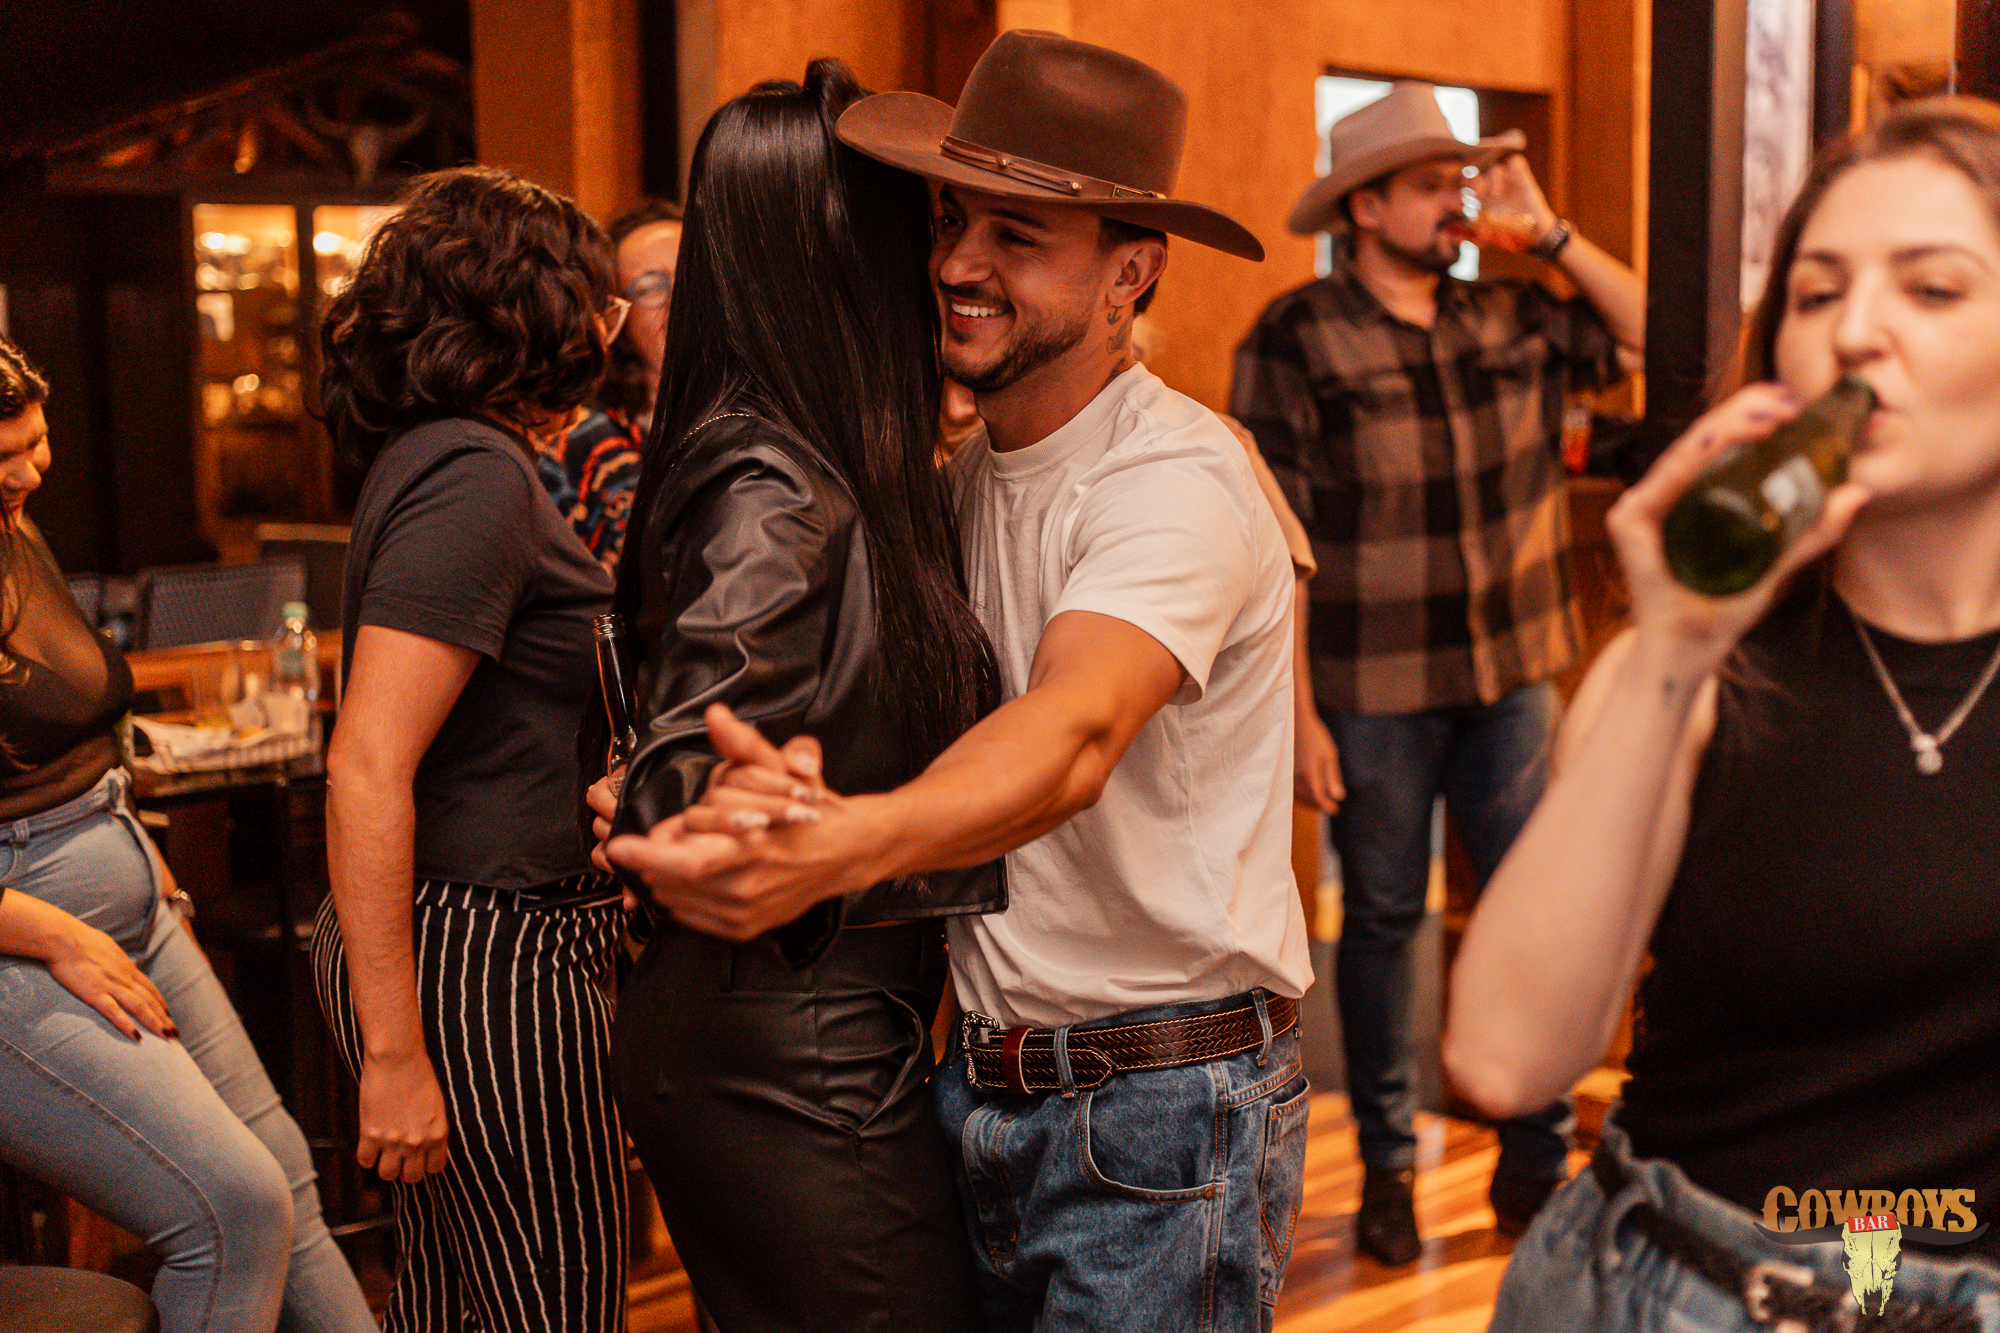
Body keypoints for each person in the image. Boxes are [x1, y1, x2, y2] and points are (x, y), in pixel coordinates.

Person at [600, 31, 1314, 1330]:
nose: (956, 264)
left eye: (1017, 236)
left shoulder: (1171, 479)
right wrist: (688, 798)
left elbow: (1071, 729)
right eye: (949, 221)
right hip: (978, 1091)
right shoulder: (960, 485)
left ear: (1131, 272)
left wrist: (844, 843)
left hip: (1157, 1119)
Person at [1446, 96, 2000, 1330]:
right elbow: (1502, 1058)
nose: (1852, 332)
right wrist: (1674, 648)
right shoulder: (1695, 677)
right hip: (1681, 1290)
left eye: (1930, 289)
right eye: (1814, 294)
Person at [592, 59, 1005, 1333]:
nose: (944, 263)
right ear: (843, 248)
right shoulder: (775, 483)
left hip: (804, 1025)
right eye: (924, 227)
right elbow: (686, 758)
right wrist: (704, 797)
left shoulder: (813, 456)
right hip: (784, 1043)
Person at [1228, 80, 1646, 1264]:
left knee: (1532, 909)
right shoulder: (1293, 336)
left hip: (1513, 672)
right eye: (1430, 186)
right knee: (1379, 920)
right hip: (1371, 688)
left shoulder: (1514, 313)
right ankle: (1389, 1168)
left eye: (1460, 182)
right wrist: (1296, 713)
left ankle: (1533, 1157)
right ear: (1362, 208)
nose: (1456, 204)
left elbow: (1659, 341)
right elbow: (1272, 542)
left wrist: (1548, 234)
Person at [0, 333, 375, 1333]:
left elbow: (73, 731)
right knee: (232, 1209)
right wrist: (56, 933)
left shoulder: (15, 532)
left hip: (125, 900)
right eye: (3, 456)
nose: (30, 471)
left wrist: (134, 843)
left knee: (283, 1175)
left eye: (37, 443)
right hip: (26, 937)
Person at [310, 166, 627, 1333]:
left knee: (456, 1307)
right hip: (484, 951)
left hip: (464, 937)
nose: (611, 321)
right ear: (533, 308)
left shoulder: (452, 452)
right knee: (551, 1304)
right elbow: (366, 762)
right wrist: (394, 1055)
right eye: (594, 295)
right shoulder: (474, 473)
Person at [534, 199, 683, 572]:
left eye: (694, 274)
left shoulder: (763, 419)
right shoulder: (580, 445)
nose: (681, 298)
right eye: (651, 286)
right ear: (616, 314)